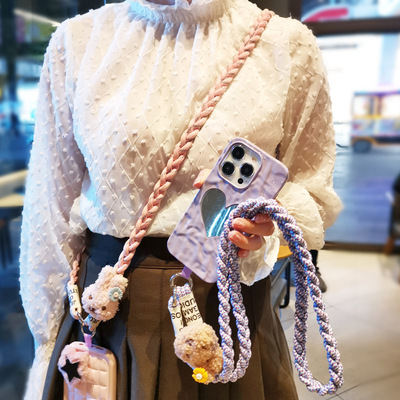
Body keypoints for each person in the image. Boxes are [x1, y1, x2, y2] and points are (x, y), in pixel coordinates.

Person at [19, 0, 342, 399]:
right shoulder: (79, 41)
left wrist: (268, 218)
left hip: (229, 313)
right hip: (109, 314)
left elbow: (314, 196)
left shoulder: (287, 45)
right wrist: (45, 341)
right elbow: (49, 211)